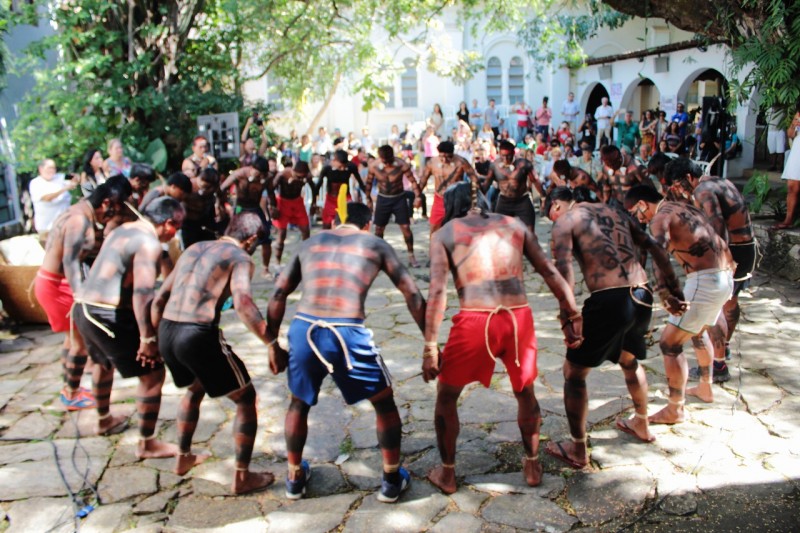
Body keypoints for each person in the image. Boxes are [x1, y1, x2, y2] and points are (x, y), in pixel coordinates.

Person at [422, 182, 582, 493]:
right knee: (525, 392)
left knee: (446, 397)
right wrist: (571, 314)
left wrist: (430, 346)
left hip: (474, 321)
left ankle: (448, 474)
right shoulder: (514, 225)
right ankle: (533, 465)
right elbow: (550, 271)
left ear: (451, 207)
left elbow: (437, 292)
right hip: (517, 317)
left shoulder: (444, 233)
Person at [267, 202, 425, 502]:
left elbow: (277, 293)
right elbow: (412, 293)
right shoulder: (374, 243)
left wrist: (272, 344)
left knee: (298, 403)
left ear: (337, 221)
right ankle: (391, 479)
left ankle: (294, 478)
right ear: (366, 225)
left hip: (304, 329)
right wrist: (430, 344)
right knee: (384, 402)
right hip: (346, 331)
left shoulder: (310, 242)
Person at [544, 186, 684, 468]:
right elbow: (655, 247)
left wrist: (568, 316)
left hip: (610, 300)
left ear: (558, 205)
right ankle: (642, 424)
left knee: (573, 373)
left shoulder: (565, 221)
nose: (552, 220)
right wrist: (673, 291)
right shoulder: (615, 211)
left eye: (550, 214)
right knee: (628, 359)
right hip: (641, 294)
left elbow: (563, 271)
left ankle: (578, 449)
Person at [152, 213, 282, 494]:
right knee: (246, 398)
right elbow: (244, 303)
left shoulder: (193, 248)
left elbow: (160, 297)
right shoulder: (239, 257)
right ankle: (242, 476)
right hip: (196, 334)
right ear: (249, 240)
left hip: (167, 329)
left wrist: (150, 339)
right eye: (255, 245)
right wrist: (272, 344)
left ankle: (183, 456)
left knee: (194, 388)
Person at [74, 197, 185, 454]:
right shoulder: (149, 243)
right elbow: (143, 294)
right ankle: (147, 443)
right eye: (177, 226)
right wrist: (148, 338)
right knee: (153, 374)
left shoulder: (124, 228)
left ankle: (104, 420)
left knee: (103, 363)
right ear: (169, 223)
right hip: (108, 314)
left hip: (83, 307)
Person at [625, 186, 734, 422]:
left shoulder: (660, 217)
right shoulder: (684, 207)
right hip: (724, 275)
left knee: (670, 344)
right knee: (698, 330)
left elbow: (658, 252)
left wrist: (665, 293)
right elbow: (716, 236)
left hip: (704, 281)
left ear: (643, 204)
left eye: (636, 212)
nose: (638, 219)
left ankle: (675, 409)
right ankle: (705, 387)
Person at [35, 176, 132, 410]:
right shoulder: (79, 220)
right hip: (59, 286)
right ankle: (71, 393)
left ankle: (70, 388)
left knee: (71, 340)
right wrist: (81, 298)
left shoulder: (78, 211)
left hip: (52, 282)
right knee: (80, 343)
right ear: (107, 202)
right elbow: (70, 262)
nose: (109, 218)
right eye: (113, 210)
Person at [665, 158, 757, 384]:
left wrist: (718, 261)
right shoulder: (719, 181)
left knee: (715, 306)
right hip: (747, 248)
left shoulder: (702, 191)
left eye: (678, 184)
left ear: (688, 177)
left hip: (731, 250)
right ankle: (722, 351)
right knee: (730, 302)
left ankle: (719, 365)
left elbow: (717, 228)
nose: (678, 190)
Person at [365, 145, 423, 267]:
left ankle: (411, 255)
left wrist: (418, 197)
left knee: (406, 228)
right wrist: (368, 199)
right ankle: (379, 256)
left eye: (388, 160)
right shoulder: (374, 166)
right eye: (384, 160)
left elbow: (413, 181)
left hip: (399, 198)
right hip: (383, 199)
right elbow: (369, 183)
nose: (386, 163)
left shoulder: (401, 164)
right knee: (379, 229)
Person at [220, 157, 278, 276]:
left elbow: (271, 193)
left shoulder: (266, 178)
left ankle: (265, 269)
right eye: (258, 174)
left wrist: (273, 206)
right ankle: (230, 266)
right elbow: (222, 188)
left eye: (262, 175)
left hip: (256, 209)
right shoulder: (240, 174)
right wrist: (221, 205)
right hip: (241, 208)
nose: (259, 178)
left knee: (266, 238)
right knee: (233, 239)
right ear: (252, 169)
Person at [418, 141, 481, 234]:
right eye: (442, 157)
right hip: (439, 199)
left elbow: (474, 179)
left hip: (456, 200)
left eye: (448, 157)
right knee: (434, 228)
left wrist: (474, 200)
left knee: (457, 228)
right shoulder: (432, 163)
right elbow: (423, 181)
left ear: (452, 154)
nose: (444, 160)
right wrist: (417, 196)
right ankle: (435, 248)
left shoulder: (461, 162)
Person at [482, 140, 545, 233]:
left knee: (529, 233)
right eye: (503, 156)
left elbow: (535, 181)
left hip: (522, 200)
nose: (506, 158)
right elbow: (486, 185)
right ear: (499, 153)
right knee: (499, 232)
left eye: (508, 156)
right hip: (504, 201)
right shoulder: (494, 166)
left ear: (513, 153)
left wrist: (543, 197)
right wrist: (475, 198)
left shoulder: (524, 164)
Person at [273, 161, 313, 265]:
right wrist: (273, 206)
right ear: (293, 171)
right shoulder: (282, 175)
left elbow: (314, 188)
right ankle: (277, 263)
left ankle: (306, 258)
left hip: (298, 202)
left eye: (302, 178)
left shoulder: (307, 176)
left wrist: (314, 203)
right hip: (283, 202)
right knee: (282, 234)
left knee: (306, 230)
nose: (299, 180)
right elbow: (271, 188)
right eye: (298, 177)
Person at [314, 150, 366, 229]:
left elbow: (360, 182)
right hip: (331, 199)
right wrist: (314, 202)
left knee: (348, 222)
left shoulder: (351, 167)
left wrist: (367, 196)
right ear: (335, 160)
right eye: (340, 166)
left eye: (344, 166)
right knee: (327, 224)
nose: (342, 168)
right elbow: (318, 185)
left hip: (345, 198)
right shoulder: (327, 168)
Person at [29, 159, 76, 241]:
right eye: (49, 168)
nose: (52, 170)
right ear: (41, 169)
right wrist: (64, 189)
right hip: (47, 228)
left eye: (54, 168)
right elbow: (47, 198)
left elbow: (74, 177)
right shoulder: (35, 183)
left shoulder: (60, 176)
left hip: (65, 223)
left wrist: (76, 179)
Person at [774, 106, 800, 229]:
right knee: (792, 187)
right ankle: (788, 220)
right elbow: (790, 134)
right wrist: (794, 124)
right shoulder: (798, 114)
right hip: (797, 153)